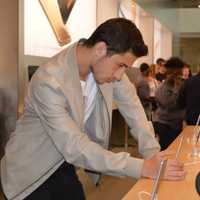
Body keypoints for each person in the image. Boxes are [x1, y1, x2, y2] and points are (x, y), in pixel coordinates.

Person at [1, 18, 186, 200]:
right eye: (121, 65)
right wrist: (142, 167)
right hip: (29, 173)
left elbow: (135, 111)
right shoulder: (49, 80)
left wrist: (154, 157)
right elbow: (75, 146)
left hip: (62, 163)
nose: (120, 75)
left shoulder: (105, 68)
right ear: (100, 49)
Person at [153, 57, 185, 150]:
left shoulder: (180, 84)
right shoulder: (167, 84)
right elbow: (166, 102)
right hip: (165, 124)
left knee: (174, 150)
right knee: (167, 150)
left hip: (175, 123)